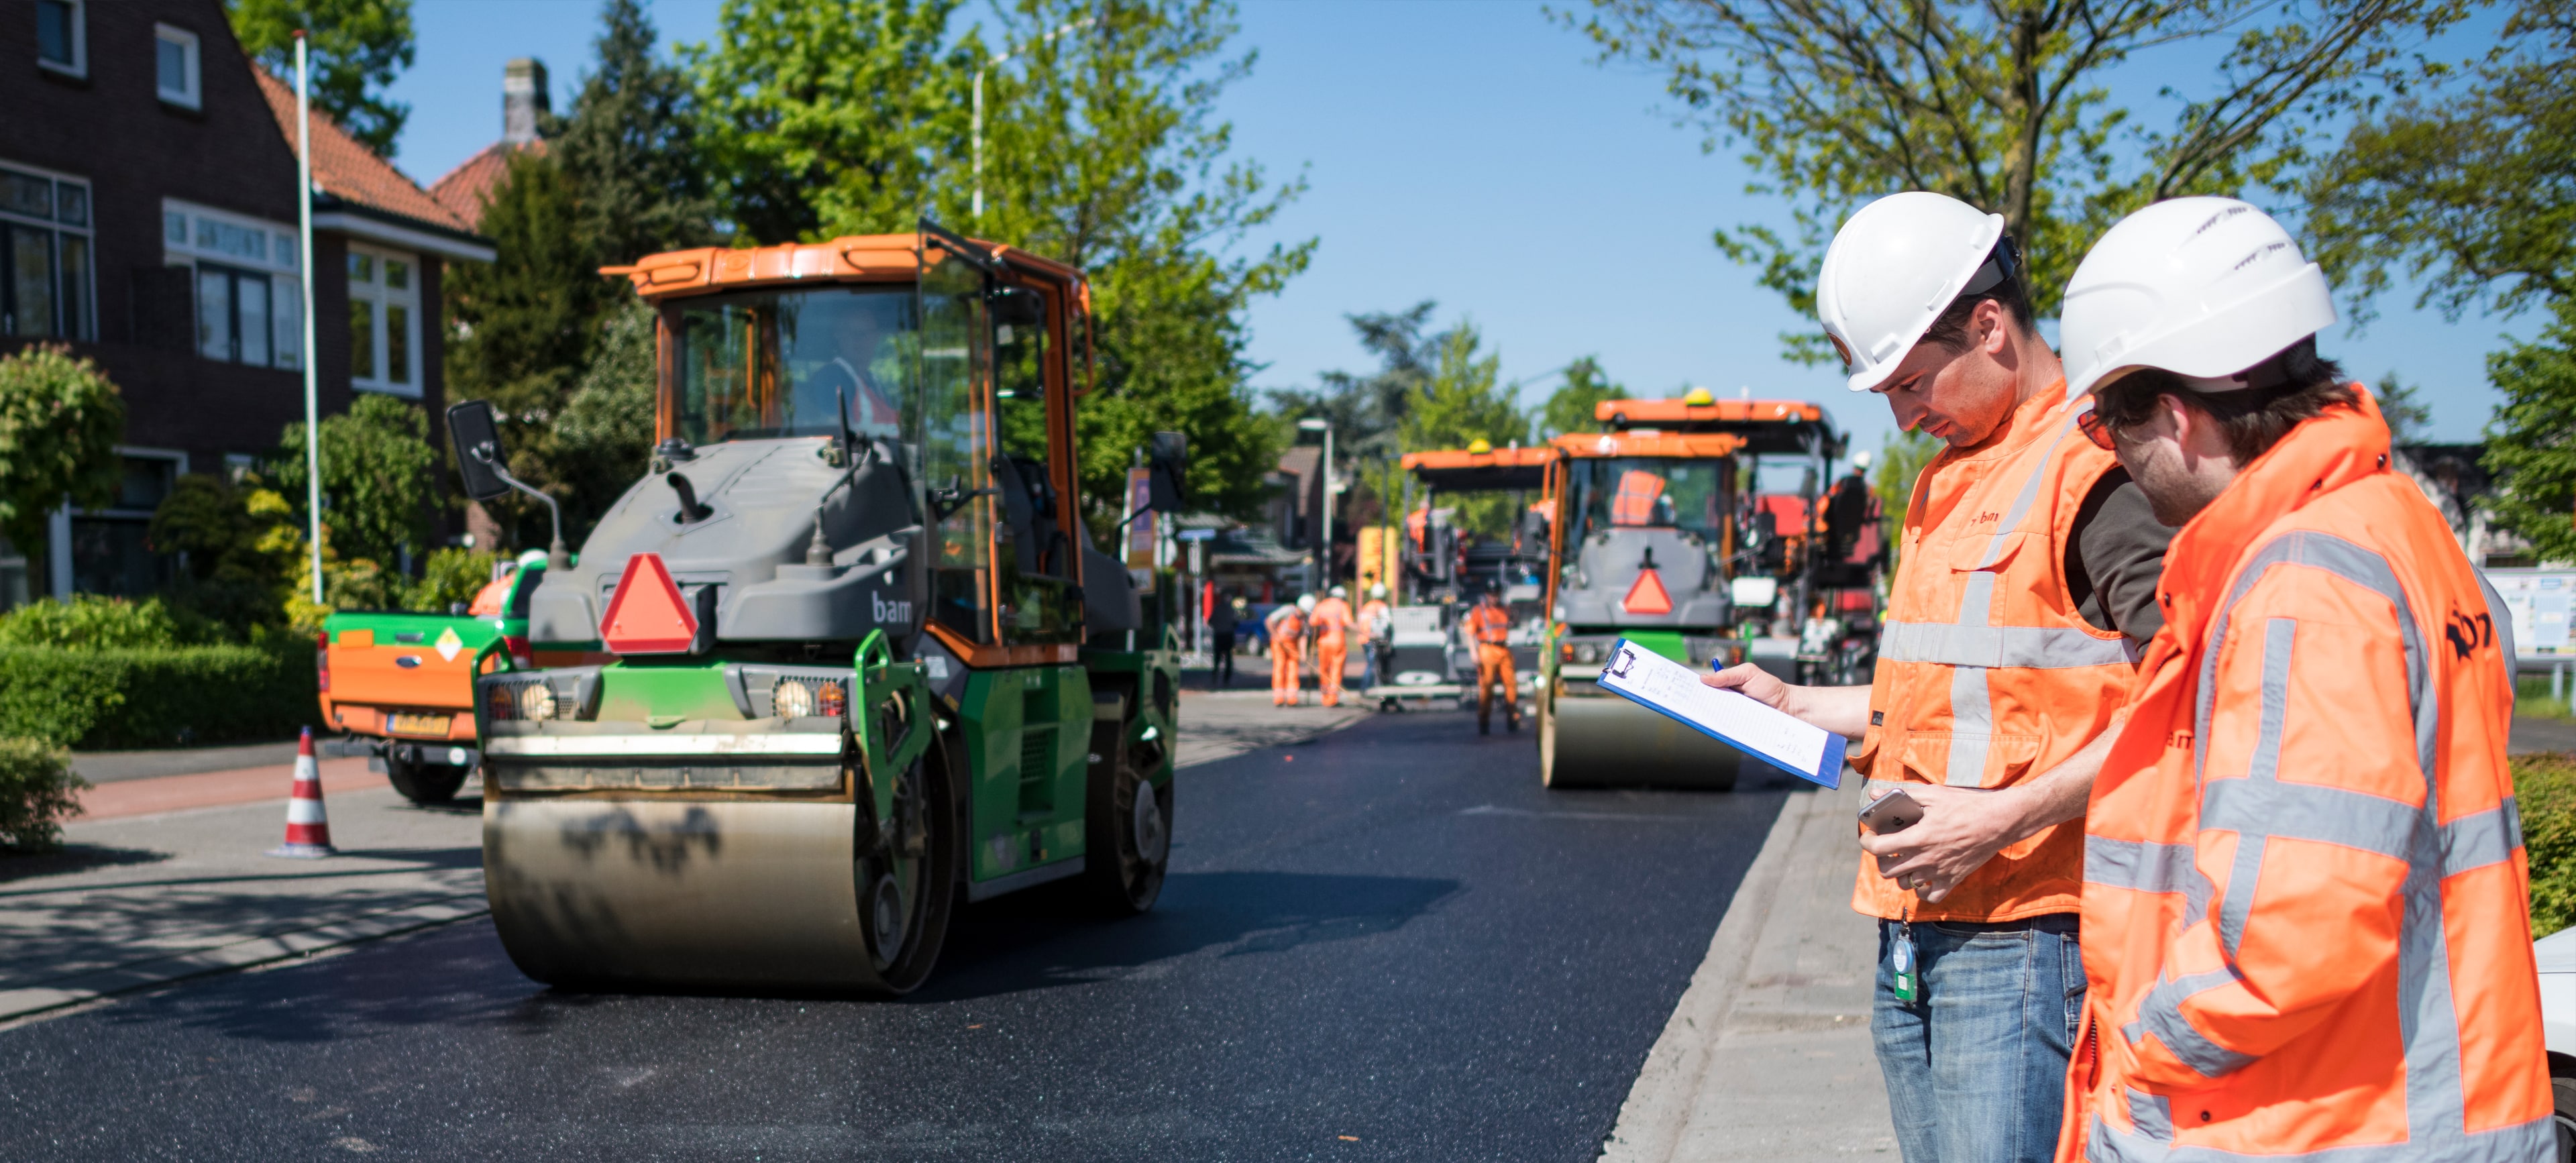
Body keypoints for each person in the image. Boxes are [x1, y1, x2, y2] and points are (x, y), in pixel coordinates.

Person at [2051, 197, 2548, 1160]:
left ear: (2179, 414)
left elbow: (2287, 938)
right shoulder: (2397, 523)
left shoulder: (2302, 583)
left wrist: (2138, 1048)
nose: (2108, 451)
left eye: (2109, 419)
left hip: (2318, 1123)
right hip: (2417, 1101)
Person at [1702, 190, 2175, 1163]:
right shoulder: (1955, 476)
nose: (1905, 413)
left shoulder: (2097, 474)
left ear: (1991, 326)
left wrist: (2003, 816)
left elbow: (2191, 702)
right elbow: (1952, 695)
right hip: (1917, 927)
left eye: (1914, 382)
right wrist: (1799, 706)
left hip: (2027, 933)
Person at [1462, 587, 1518, 734]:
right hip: (1487, 649)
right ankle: (1484, 720)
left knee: (1511, 684)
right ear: (1487, 595)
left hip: (1503, 649)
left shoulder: (1505, 609)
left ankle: (1513, 716)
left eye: (1496, 594)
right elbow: (1470, 632)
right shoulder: (1479, 611)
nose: (1494, 598)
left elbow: (1512, 623)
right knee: (1487, 687)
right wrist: (1473, 652)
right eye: (1491, 595)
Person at [1311, 585, 1354, 708]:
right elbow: (1348, 623)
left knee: (1324, 670)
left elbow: (1313, 622)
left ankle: (1325, 697)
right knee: (1336, 670)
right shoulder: (1343, 606)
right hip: (1338, 642)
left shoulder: (1321, 605)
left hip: (1323, 642)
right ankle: (1332, 698)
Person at [1266, 596, 1307, 707]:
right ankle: (1279, 697)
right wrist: (1276, 636)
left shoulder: (1304, 618)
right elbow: (1269, 621)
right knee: (1280, 667)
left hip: (1293, 645)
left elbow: (1303, 636)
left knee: (1293, 669)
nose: (1305, 615)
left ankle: (1292, 698)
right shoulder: (1287, 611)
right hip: (1279, 644)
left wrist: (1303, 654)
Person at [1358, 584, 1395, 690]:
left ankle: (1368, 687)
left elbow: (1360, 624)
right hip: (1374, 639)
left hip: (1364, 639)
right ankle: (1366, 688)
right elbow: (1389, 624)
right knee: (1374, 665)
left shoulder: (1366, 607)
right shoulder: (1383, 607)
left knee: (1370, 664)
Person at [1206, 586, 1238, 688]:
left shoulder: (1217, 609)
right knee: (1228, 658)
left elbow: (1210, 621)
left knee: (1217, 658)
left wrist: (1217, 626)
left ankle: (1215, 675)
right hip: (1228, 635)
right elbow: (1236, 623)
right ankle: (1226, 678)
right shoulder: (1231, 610)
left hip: (1219, 634)